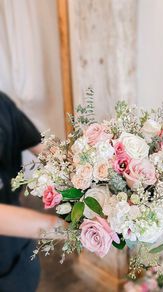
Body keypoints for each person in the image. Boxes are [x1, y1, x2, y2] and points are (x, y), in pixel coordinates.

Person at [0, 92, 63, 292]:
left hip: (20, 237)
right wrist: (72, 231)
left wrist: (92, 170)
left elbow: (42, 147)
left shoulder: (2, 103)